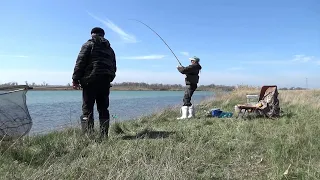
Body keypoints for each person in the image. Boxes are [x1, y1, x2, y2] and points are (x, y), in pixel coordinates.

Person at [72, 27, 117, 138]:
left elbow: (80, 62)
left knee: (87, 109)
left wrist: (75, 79)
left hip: (90, 81)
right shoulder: (110, 50)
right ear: (103, 35)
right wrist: (109, 79)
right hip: (105, 82)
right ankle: (104, 135)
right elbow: (114, 67)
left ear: (92, 34)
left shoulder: (88, 45)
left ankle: (89, 136)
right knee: (103, 108)